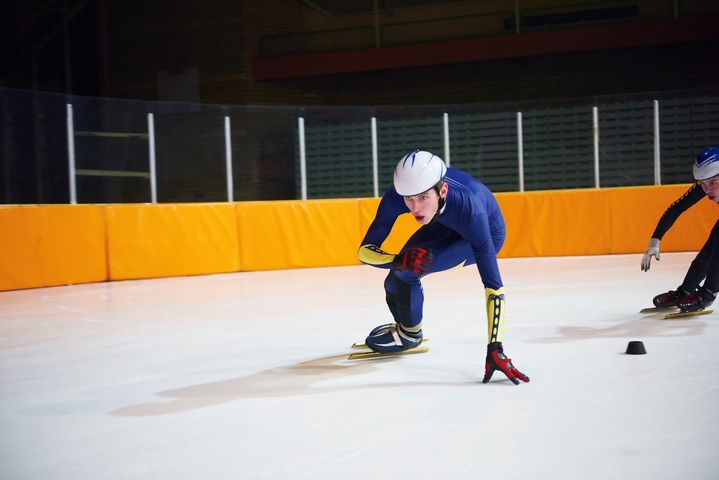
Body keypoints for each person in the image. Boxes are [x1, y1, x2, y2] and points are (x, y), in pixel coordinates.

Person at [357, 149, 529, 385]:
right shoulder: (400, 195)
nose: (415, 207)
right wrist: (396, 259)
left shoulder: (472, 211)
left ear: (443, 190)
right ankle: (407, 326)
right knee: (394, 278)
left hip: (482, 233)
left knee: (406, 272)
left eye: (423, 198)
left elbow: (494, 287)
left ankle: (409, 336)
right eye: (409, 199)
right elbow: (365, 251)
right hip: (443, 220)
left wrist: (495, 346)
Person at [640, 146, 719, 312]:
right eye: (702, 184)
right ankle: (685, 291)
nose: (707, 190)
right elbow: (677, 207)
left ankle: (708, 293)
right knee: (709, 249)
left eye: (712, 183)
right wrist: (655, 239)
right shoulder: (707, 186)